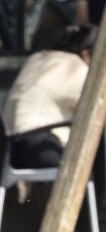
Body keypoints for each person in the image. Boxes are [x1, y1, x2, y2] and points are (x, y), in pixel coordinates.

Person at [3, 24, 95, 169]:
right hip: (39, 146)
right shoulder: (75, 67)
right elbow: (98, 105)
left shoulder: (37, 57)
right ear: (86, 54)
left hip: (8, 146)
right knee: (97, 151)